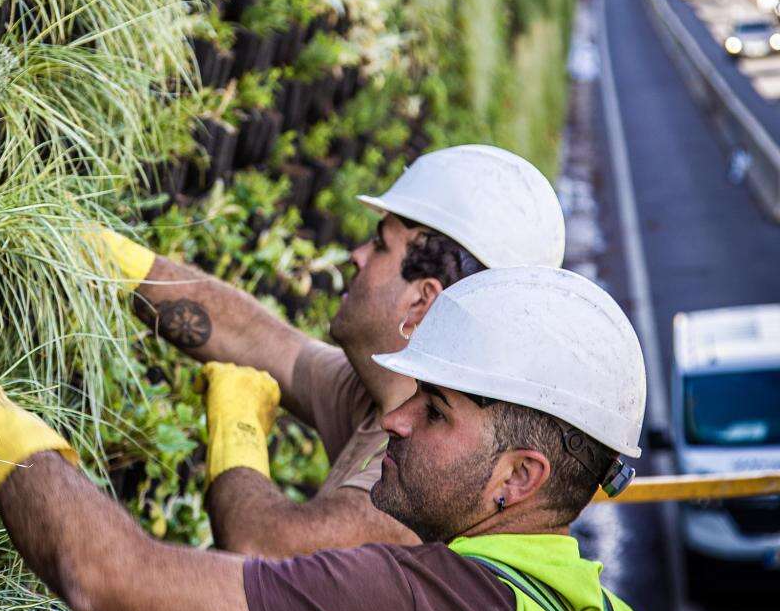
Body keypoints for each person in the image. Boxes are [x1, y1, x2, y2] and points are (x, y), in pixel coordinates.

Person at [0, 264, 646, 611]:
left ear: (518, 475)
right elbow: (273, 344)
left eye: (436, 412)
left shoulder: (415, 597)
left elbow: (106, 575)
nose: (399, 423)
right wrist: (115, 264)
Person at [97, 144, 567, 555]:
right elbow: (259, 340)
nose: (357, 255)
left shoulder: (424, 478)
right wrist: (117, 265)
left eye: (380, 245)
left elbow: (263, 548)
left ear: (423, 300)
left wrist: (235, 426)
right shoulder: (381, 396)